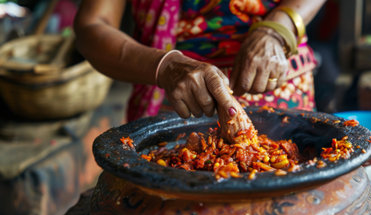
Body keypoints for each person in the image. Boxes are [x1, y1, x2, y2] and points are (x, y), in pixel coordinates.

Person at [74, 0, 326, 123]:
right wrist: (167, 67)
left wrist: (275, 30)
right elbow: (92, 25)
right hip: (178, 99)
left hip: (278, 88)